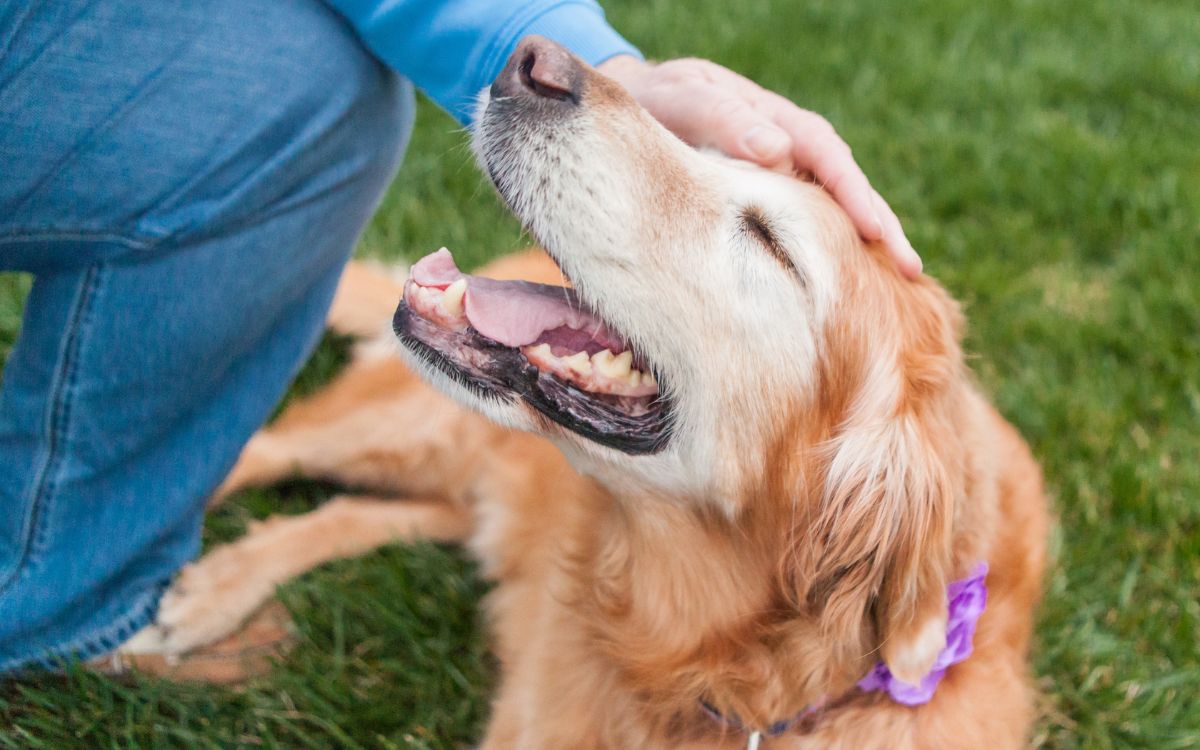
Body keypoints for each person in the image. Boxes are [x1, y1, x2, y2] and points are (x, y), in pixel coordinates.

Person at [0, 0, 920, 674]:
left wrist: (627, 74)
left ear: (851, 499)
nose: (546, 73)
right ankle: (93, 562)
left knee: (312, 79)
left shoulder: (877, 501)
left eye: (762, 245)